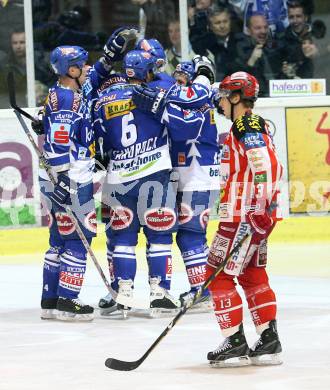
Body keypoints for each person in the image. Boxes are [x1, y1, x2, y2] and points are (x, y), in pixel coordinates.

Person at [37, 28, 138, 321]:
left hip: (61, 177)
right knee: (80, 238)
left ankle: (51, 300)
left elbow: (59, 131)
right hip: (71, 178)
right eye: (82, 64)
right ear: (71, 69)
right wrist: (64, 180)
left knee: (59, 237)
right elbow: (57, 144)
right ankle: (68, 301)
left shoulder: (59, 94)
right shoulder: (68, 99)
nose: (88, 68)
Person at [93, 49, 182, 318]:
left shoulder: (103, 101)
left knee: (123, 237)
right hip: (155, 173)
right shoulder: (159, 94)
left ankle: (124, 292)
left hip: (119, 178)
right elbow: (178, 127)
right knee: (160, 235)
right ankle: (159, 293)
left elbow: (99, 143)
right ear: (147, 71)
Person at [205, 71, 283, 366]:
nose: (221, 103)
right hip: (253, 215)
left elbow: (269, 165)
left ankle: (234, 341)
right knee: (251, 274)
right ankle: (268, 339)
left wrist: (260, 206)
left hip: (243, 216)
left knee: (217, 274)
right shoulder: (248, 124)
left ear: (237, 97)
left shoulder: (245, 123)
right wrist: (265, 209)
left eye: (225, 97)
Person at [131, 55, 219, 310]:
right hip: (187, 175)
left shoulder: (198, 102)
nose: (176, 81)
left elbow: (184, 127)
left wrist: (159, 106)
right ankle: (203, 288)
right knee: (189, 235)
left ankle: (203, 290)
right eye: (176, 76)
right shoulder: (189, 98)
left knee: (191, 235)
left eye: (182, 77)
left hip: (199, 176)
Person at [233, 13, 282, 96]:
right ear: (248, 31)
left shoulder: (275, 47)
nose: (263, 31)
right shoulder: (239, 49)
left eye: (265, 27)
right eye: (258, 28)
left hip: (277, 96)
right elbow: (236, 82)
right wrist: (251, 61)